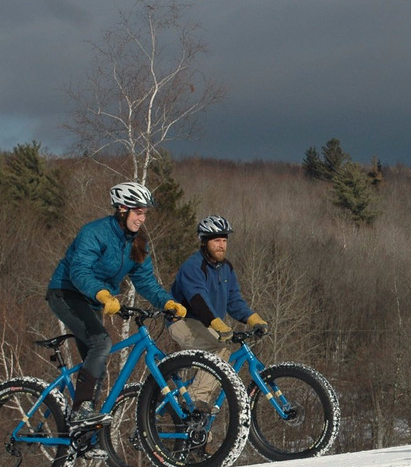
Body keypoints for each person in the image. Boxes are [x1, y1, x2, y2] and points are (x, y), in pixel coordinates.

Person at [47, 181, 187, 428]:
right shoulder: (95, 232)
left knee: (98, 363)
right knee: (101, 343)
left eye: (145, 213)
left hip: (94, 300)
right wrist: (102, 294)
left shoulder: (137, 242)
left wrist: (167, 302)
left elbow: (145, 281)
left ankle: (84, 431)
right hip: (66, 293)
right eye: (139, 212)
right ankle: (81, 411)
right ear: (122, 208)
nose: (142, 218)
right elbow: (80, 271)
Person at [167, 215, 268, 405]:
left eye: (224, 240)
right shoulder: (193, 266)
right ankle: (194, 403)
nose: (221, 245)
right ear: (204, 242)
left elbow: (234, 301)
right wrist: (218, 324)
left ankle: (197, 424)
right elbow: (197, 300)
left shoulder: (226, 268)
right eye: (216, 241)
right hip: (183, 322)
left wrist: (254, 319)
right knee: (219, 351)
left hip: (209, 324)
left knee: (221, 360)